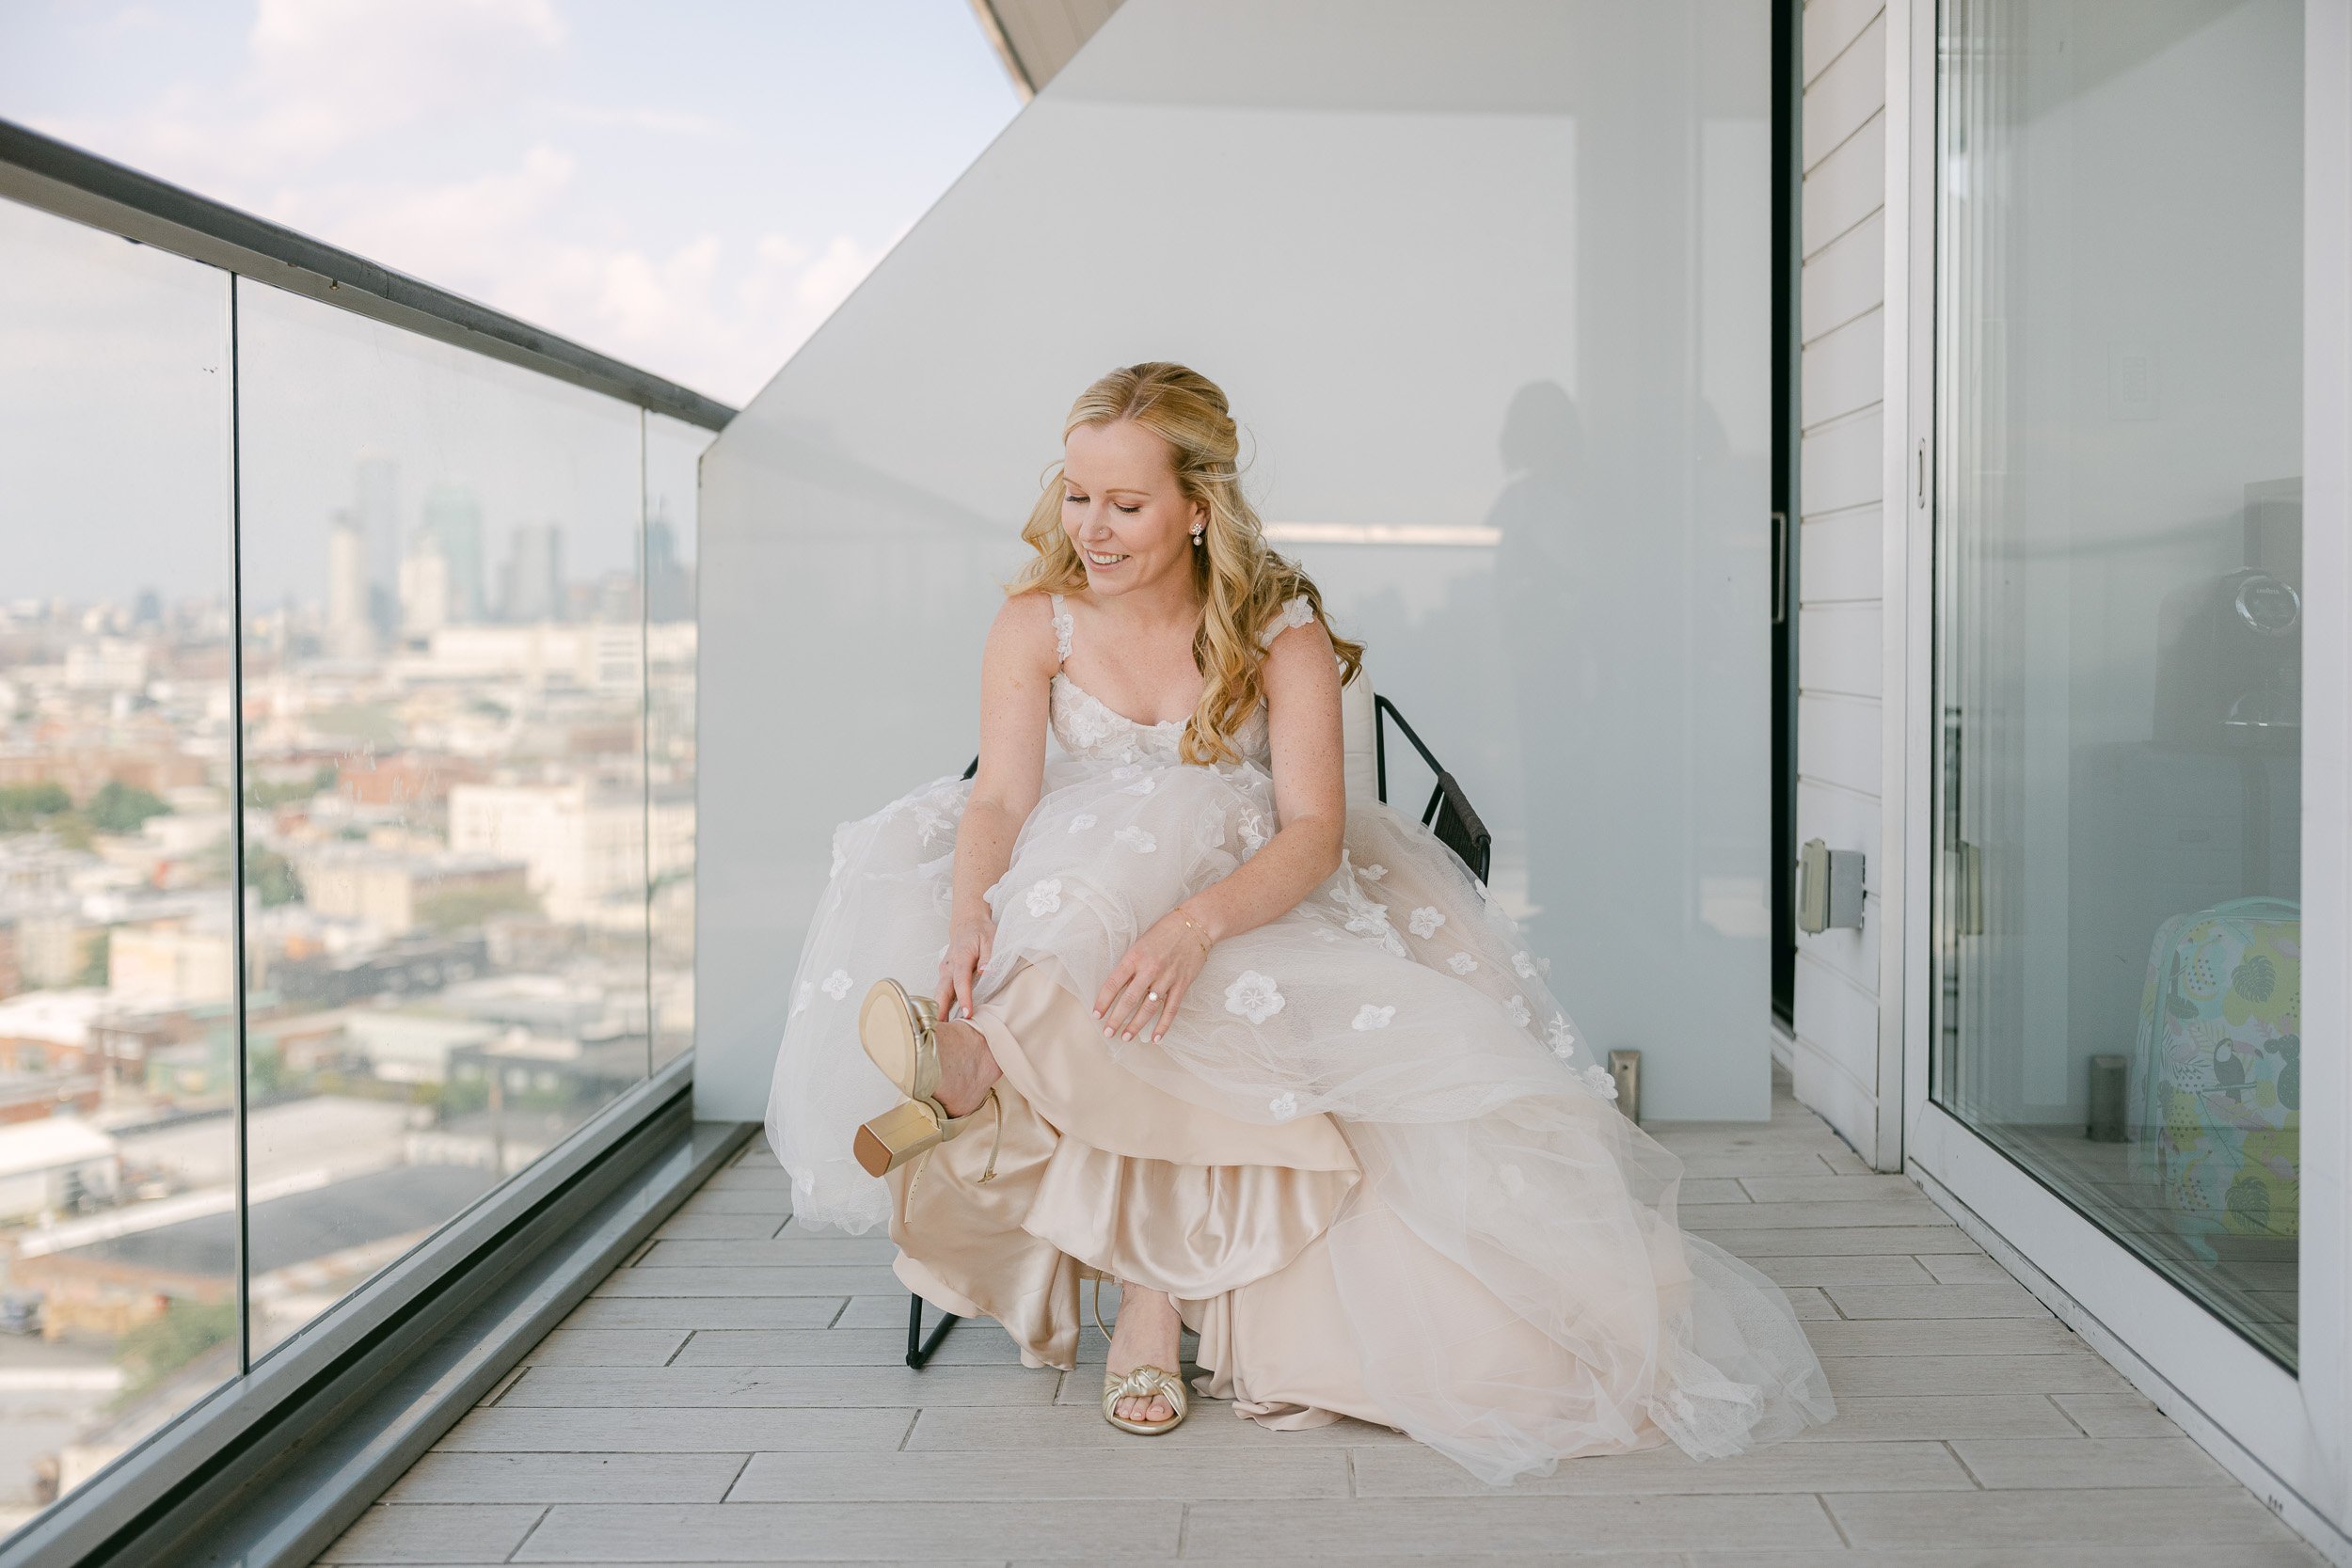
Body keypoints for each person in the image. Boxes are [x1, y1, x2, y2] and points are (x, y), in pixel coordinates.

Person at [766, 361, 1836, 1481]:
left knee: (1186, 892)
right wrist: (966, 919)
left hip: (1258, 905)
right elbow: (999, 798)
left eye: (1125, 504)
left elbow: (1312, 831)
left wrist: (1191, 929)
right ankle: (1121, 1272)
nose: (1091, 527)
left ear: (1198, 507)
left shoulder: (1278, 627)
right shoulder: (1037, 622)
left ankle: (989, 1078)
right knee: (1117, 898)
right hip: (1066, 912)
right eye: (1077, 494)